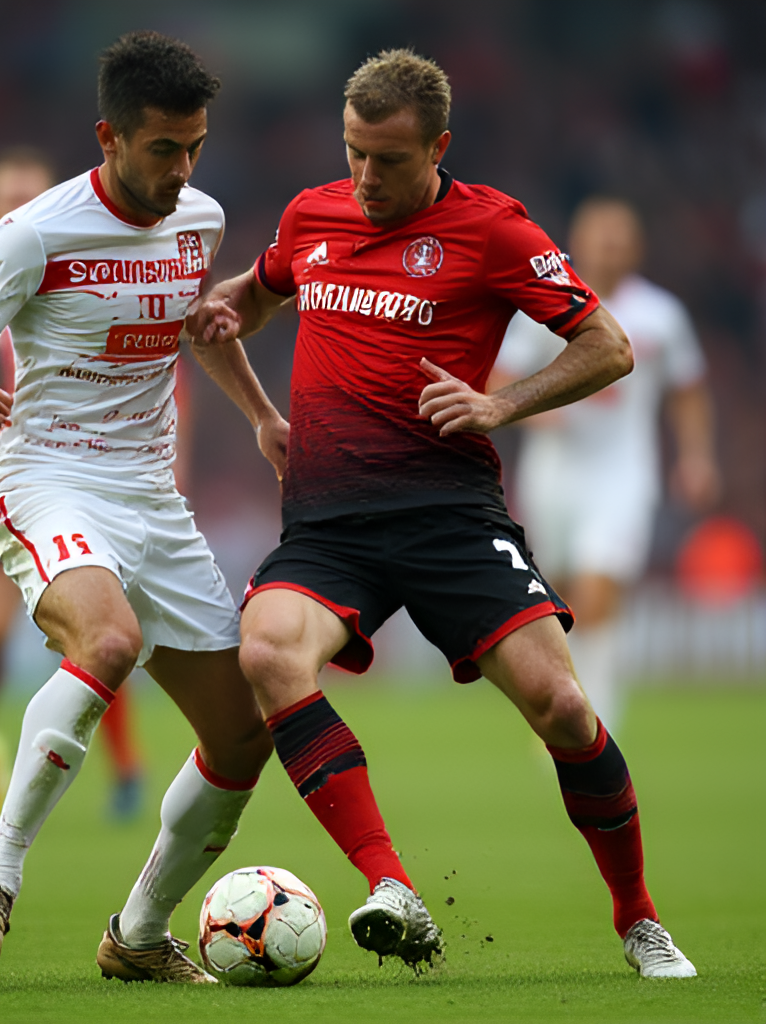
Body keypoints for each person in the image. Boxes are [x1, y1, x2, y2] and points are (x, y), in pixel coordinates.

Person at [187, 49, 697, 979]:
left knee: (565, 709)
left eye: (387, 160)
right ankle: (393, 889)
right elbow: (239, 307)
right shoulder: (312, 214)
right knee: (266, 650)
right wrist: (259, 407)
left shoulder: (494, 229)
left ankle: (639, 919)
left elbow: (608, 346)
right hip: (330, 525)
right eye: (354, 154)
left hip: (451, 518)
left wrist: (498, 405)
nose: (366, 178)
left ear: (439, 148)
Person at [0, 32, 282, 983]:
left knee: (244, 734)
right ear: (109, 137)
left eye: (195, 146)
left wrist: (262, 419)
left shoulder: (199, 218)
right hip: (51, 478)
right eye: (164, 148)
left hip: (152, 498)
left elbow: (199, 330)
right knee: (107, 643)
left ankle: (142, 935)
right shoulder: (35, 231)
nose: (182, 168)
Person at [0, 146, 147, 821]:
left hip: (81, 480)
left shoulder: (80, 272)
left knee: (101, 630)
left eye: (27, 192)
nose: (14, 204)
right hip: (0, 486)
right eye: (2, 194)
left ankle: (125, 766)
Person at [493, 198, 718, 730]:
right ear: (579, 240)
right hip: (553, 475)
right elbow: (499, 380)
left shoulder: (660, 315)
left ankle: (595, 724)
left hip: (624, 475)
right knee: (563, 603)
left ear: (637, 247)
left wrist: (696, 456)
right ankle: (565, 712)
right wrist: (536, 414)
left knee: (599, 592)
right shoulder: (544, 308)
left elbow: (688, 390)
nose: (610, 247)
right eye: (600, 236)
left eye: (620, 237)